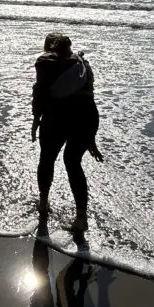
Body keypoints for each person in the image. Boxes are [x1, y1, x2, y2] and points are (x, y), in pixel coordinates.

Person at [31, 31, 102, 231]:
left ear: (49, 47)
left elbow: (40, 92)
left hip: (57, 117)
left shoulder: (45, 63)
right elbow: (89, 96)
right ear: (69, 46)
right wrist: (91, 137)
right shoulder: (83, 64)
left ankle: (43, 205)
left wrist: (36, 120)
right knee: (73, 163)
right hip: (87, 117)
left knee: (46, 160)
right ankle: (81, 219)